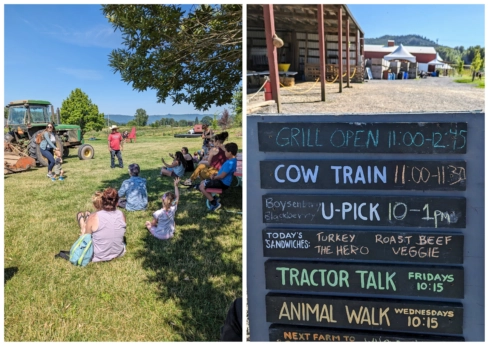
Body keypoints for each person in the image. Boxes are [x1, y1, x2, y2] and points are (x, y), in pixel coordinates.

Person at [82, 187, 127, 262]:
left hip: (98, 255)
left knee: (85, 231)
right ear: (117, 203)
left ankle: (81, 220)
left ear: (102, 201)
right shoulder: (122, 214)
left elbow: (86, 238)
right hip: (119, 252)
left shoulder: (94, 217)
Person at [198, 142, 238, 212]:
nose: (224, 152)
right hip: (221, 181)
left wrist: (214, 178)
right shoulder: (232, 161)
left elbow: (222, 176)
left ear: (230, 152)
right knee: (202, 182)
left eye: (225, 151)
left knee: (201, 186)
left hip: (223, 183)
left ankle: (214, 203)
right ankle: (214, 198)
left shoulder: (230, 163)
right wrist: (215, 174)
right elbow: (222, 172)